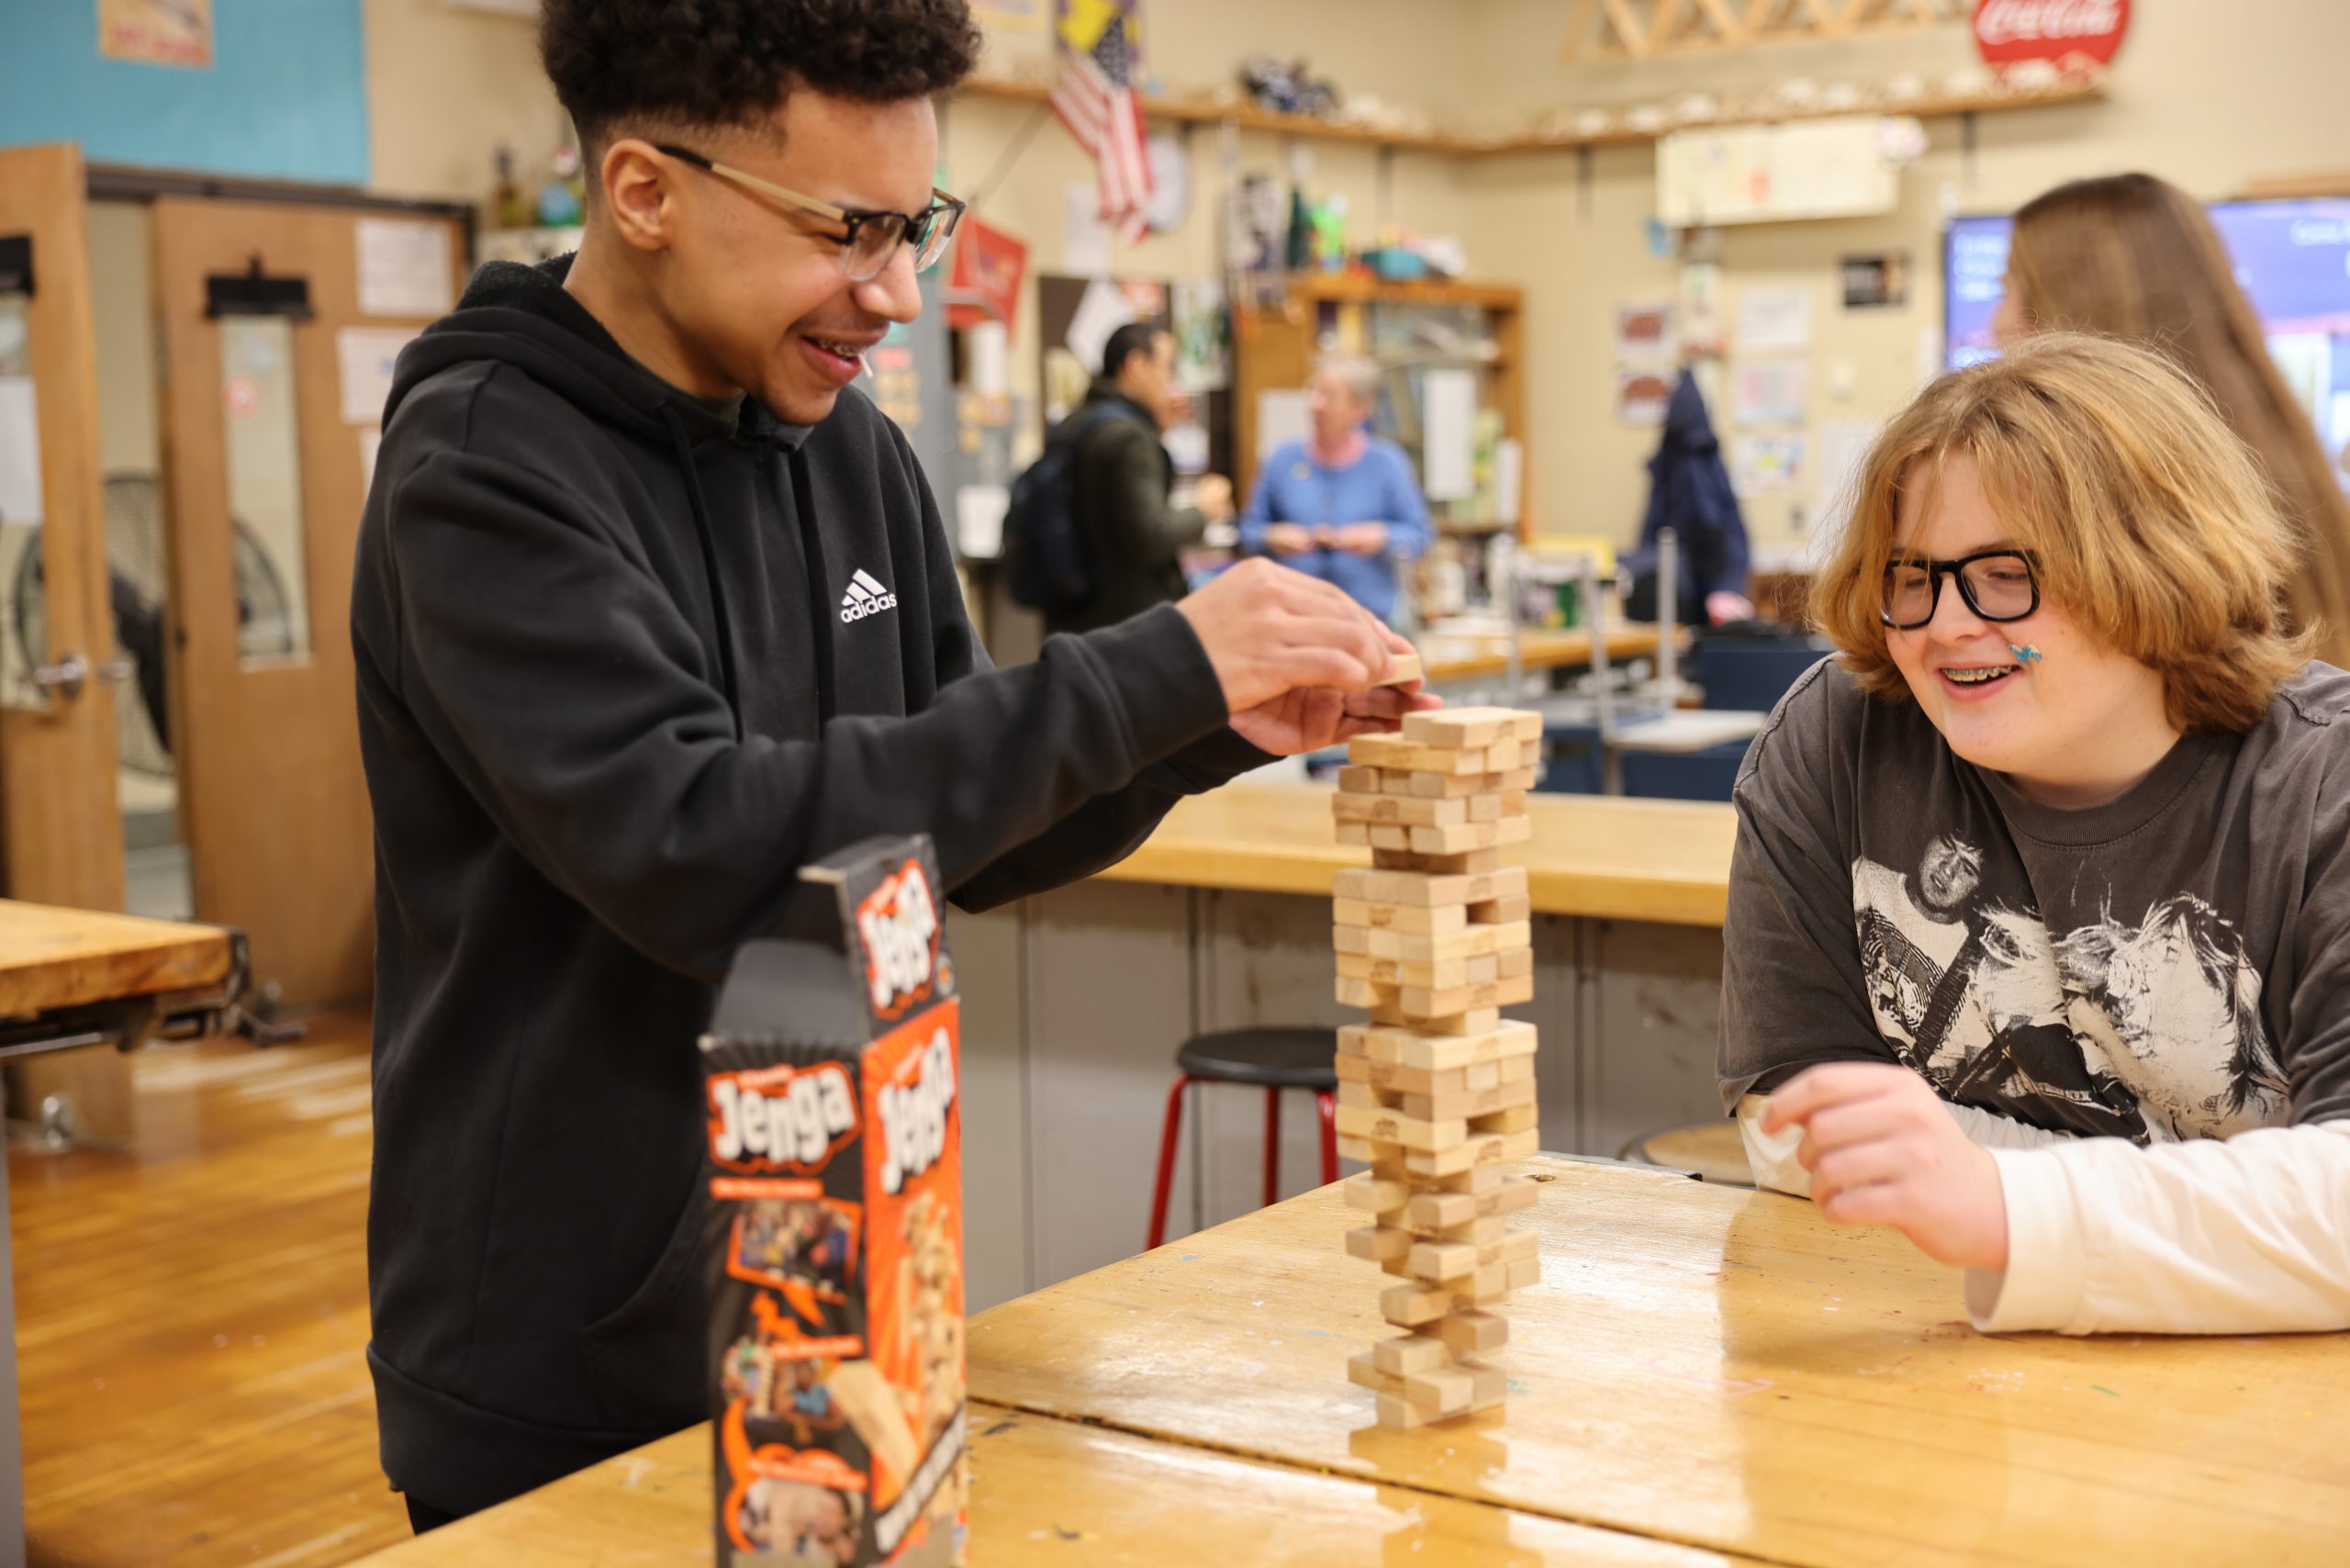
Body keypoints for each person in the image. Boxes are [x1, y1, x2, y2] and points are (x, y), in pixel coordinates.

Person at [350, 0, 1429, 1531]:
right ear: (645, 192)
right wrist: (1156, 665)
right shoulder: (480, 467)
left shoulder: (845, 442)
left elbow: (951, 830)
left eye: (916, 221)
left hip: (851, 1294)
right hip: (572, 1356)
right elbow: (704, 854)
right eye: (849, 229)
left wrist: (1198, 731)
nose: (899, 291)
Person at [1721, 332, 2350, 1338]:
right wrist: (2221, 1213)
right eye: (1910, 575)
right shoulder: (1837, 734)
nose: (1943, 623)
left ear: (2154, 564)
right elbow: (1802, 1133)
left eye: (2005, 574)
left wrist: (1995, 1204)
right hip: (1929, 1360)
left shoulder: (2325, 783)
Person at [1990, 172, 2350, 668]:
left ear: (2073, 309)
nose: (1998, 325)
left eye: (2008, 290)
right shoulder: (2281, 463)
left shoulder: (2113, 505)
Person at [1044, 320, 1236, 634]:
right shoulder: (1131, 438)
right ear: (1135, 365)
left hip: (1073, 610)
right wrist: (1205, 509)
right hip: (1125, 622)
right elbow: (1150, 537)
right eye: (1167, 368)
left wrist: (1156, 428)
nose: (1170, 381)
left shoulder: (1077, 422)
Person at [1237, 353, 1432, 623]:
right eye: (1313, 391)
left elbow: (1420, 536)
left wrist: (1381, 537)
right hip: (1292, 621)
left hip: (1369, 621)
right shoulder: (1281, 460)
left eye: (1329, 396)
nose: (1316, 403)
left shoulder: (1387, 464)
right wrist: (1272, 537)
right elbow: (1247, 531)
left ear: (1360, 408)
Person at [1621, 373, 1752, 626]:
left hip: (1695, 587)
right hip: (1695, 585)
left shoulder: (1677, 461)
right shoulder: (1703, 461)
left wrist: (1729, 587)